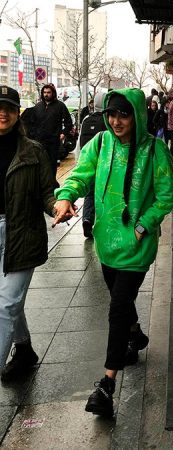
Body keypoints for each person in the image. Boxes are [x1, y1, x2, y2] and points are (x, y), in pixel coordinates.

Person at [52, 88, 173, 417]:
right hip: (106, 244)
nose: (116, 121)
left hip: (137, 246)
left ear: (136, 115)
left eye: (123, 114)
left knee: (118, 307)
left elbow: (166, 196)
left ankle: (106, 385)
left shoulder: (154, 150)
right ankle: (135, 335)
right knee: (121, 302)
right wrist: (66, 197)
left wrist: (142, 226)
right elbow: (80, 175)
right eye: (111, 114)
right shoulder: (100, 144)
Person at [0, 86, 58, 382]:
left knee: (6, 304)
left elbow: (47, 193)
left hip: (22, 233)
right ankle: (23, 350)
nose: (3, 113)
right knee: (8, 302)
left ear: (17, 113)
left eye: (9, 108)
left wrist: (57, 207)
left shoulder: (33, 151)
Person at [77, 92, 108, 239]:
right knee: (103, 193)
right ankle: (102, 222)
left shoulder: (86, 119)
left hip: (88, 161)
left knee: (89, 193)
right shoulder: (107, 120)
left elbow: (80, 142)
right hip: (104, 163)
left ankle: (87, 219)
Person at [30, 83, 73, 180]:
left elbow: (68, 122)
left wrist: (63, 133)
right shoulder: (38, 106)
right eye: (44, 92)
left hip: (53, 142)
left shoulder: (60, 106)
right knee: (39, 165)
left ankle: (52, 184)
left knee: (52, 165)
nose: (46, 94)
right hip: (39, 142)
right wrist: (33, 137)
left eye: (48, 92)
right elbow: (32, 123)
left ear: (53, 93)